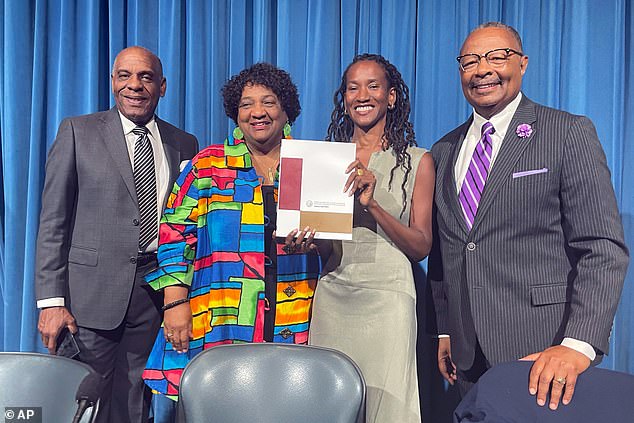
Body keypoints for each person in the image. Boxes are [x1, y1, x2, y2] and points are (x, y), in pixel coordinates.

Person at [428, 22, 629, 411]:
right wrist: (445, 329)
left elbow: (602, 248)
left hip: (546, 349)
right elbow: (446, 251)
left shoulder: (566, 132)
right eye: (470, 61)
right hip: (468, 355)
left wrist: (577, 345)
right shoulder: (443, 149)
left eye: (496, 57)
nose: (482, 69)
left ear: (522, 64)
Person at [34, 46, 199, 422]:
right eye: (124, 75)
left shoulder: (184, 143)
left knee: (135, 404)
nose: (134, 85)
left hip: (154, 298)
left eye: (145, 77)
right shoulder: (78, 131)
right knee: (80, 402)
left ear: (163, 86)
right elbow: (53, 223)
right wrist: (50, 301)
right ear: (112, 82)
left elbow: (185, 223)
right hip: (88, 298)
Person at [142, 62, 320, 401]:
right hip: (222, 315)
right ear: (234, 113)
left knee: (287, 406)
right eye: (246, 104)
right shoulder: (209, 164)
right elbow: (174, 234)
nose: (257, 112)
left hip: (295, 316)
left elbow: (332, 245)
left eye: (268, 102)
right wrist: (174, 303)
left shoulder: (311, 163)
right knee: (222, 404)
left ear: (287, 109)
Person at [308, 54, 435, 423]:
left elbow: (421, 246)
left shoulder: (418, 160)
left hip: (388, 298)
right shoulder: (326, 160)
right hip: (333, 295)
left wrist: (374, 206)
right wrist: (308, 242)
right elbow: (327, 242)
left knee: (388, 407)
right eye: (353, 87)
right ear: (344, 98)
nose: (362, 95)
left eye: (373, 85)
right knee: (327, 404)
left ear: (391, 97)